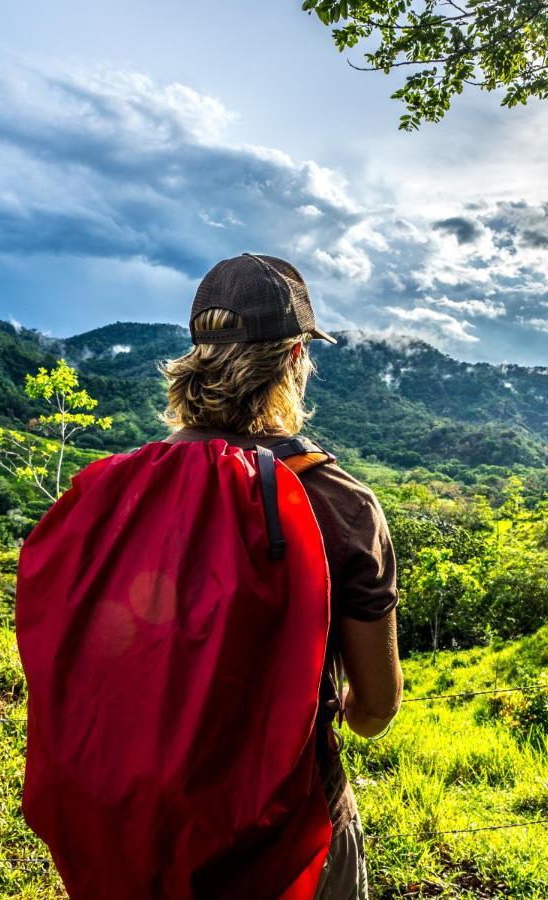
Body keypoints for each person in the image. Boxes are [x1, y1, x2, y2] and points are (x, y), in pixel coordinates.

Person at [158, 252, 405, 900]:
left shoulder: (139, 488)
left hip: (159, 828)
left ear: (196, 358)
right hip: (296, 830)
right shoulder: (342, 504)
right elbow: (373, 710)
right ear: (295, 360)